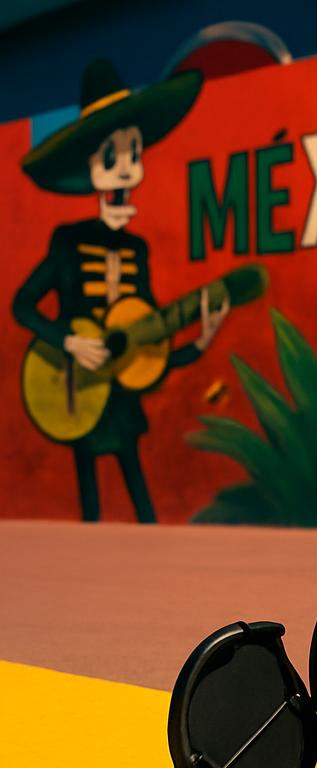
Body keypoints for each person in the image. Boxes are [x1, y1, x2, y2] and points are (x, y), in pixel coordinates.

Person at [13, 58, 229, 522]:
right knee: (89, 502)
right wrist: (67, 341)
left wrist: (197, 343)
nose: (127, 172)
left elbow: (144, 340)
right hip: (78, 389)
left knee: (141, 499)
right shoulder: (67, 242)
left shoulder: (138, 249)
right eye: (113, 158)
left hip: (121, 393)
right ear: (89, 168)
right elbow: (22, 305)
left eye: (134, 156)